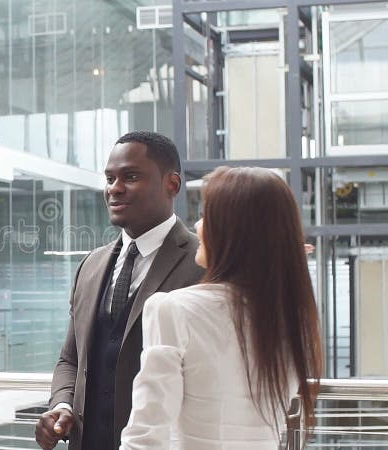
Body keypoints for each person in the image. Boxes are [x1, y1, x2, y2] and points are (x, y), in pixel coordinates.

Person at [120, 166, 323, 449]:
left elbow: (147, 433)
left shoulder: (173, 309)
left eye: (208, 215)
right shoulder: (292, 315)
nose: (198, 226)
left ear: (233, 232)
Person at [36, 131, 205, 450]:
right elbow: (71, 358)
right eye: (110, 178)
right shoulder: (90, 266)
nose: (114, 188)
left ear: (173, 184)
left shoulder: (205, 263)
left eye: (130, 176)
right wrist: (62, 406)